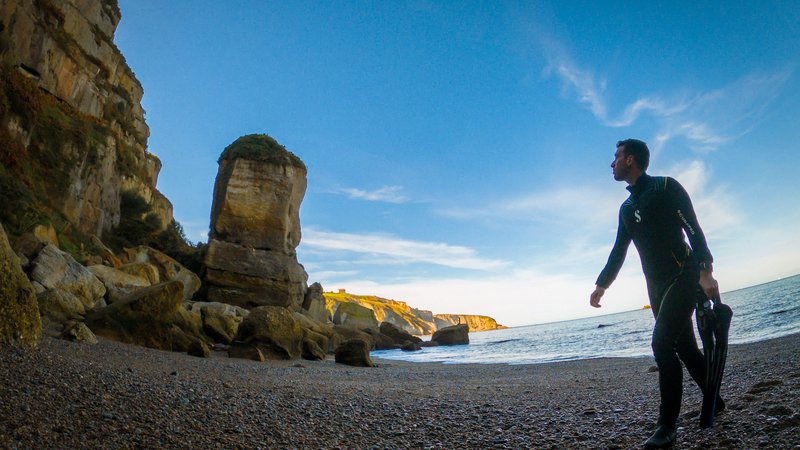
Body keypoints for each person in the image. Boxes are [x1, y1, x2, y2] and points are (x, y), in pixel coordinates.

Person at [589, 139, 723, 448]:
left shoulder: (665, 187)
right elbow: (619, 250)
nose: (612, 163)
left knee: (662, 344)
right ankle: (715, 399)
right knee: (686, 348)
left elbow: (693, 229)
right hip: (657, 287)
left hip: (684, 275)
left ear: (630, 160)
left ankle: (667, 426)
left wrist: (705, 270)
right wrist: (602, 284)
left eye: (616, 157)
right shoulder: (626, 208)